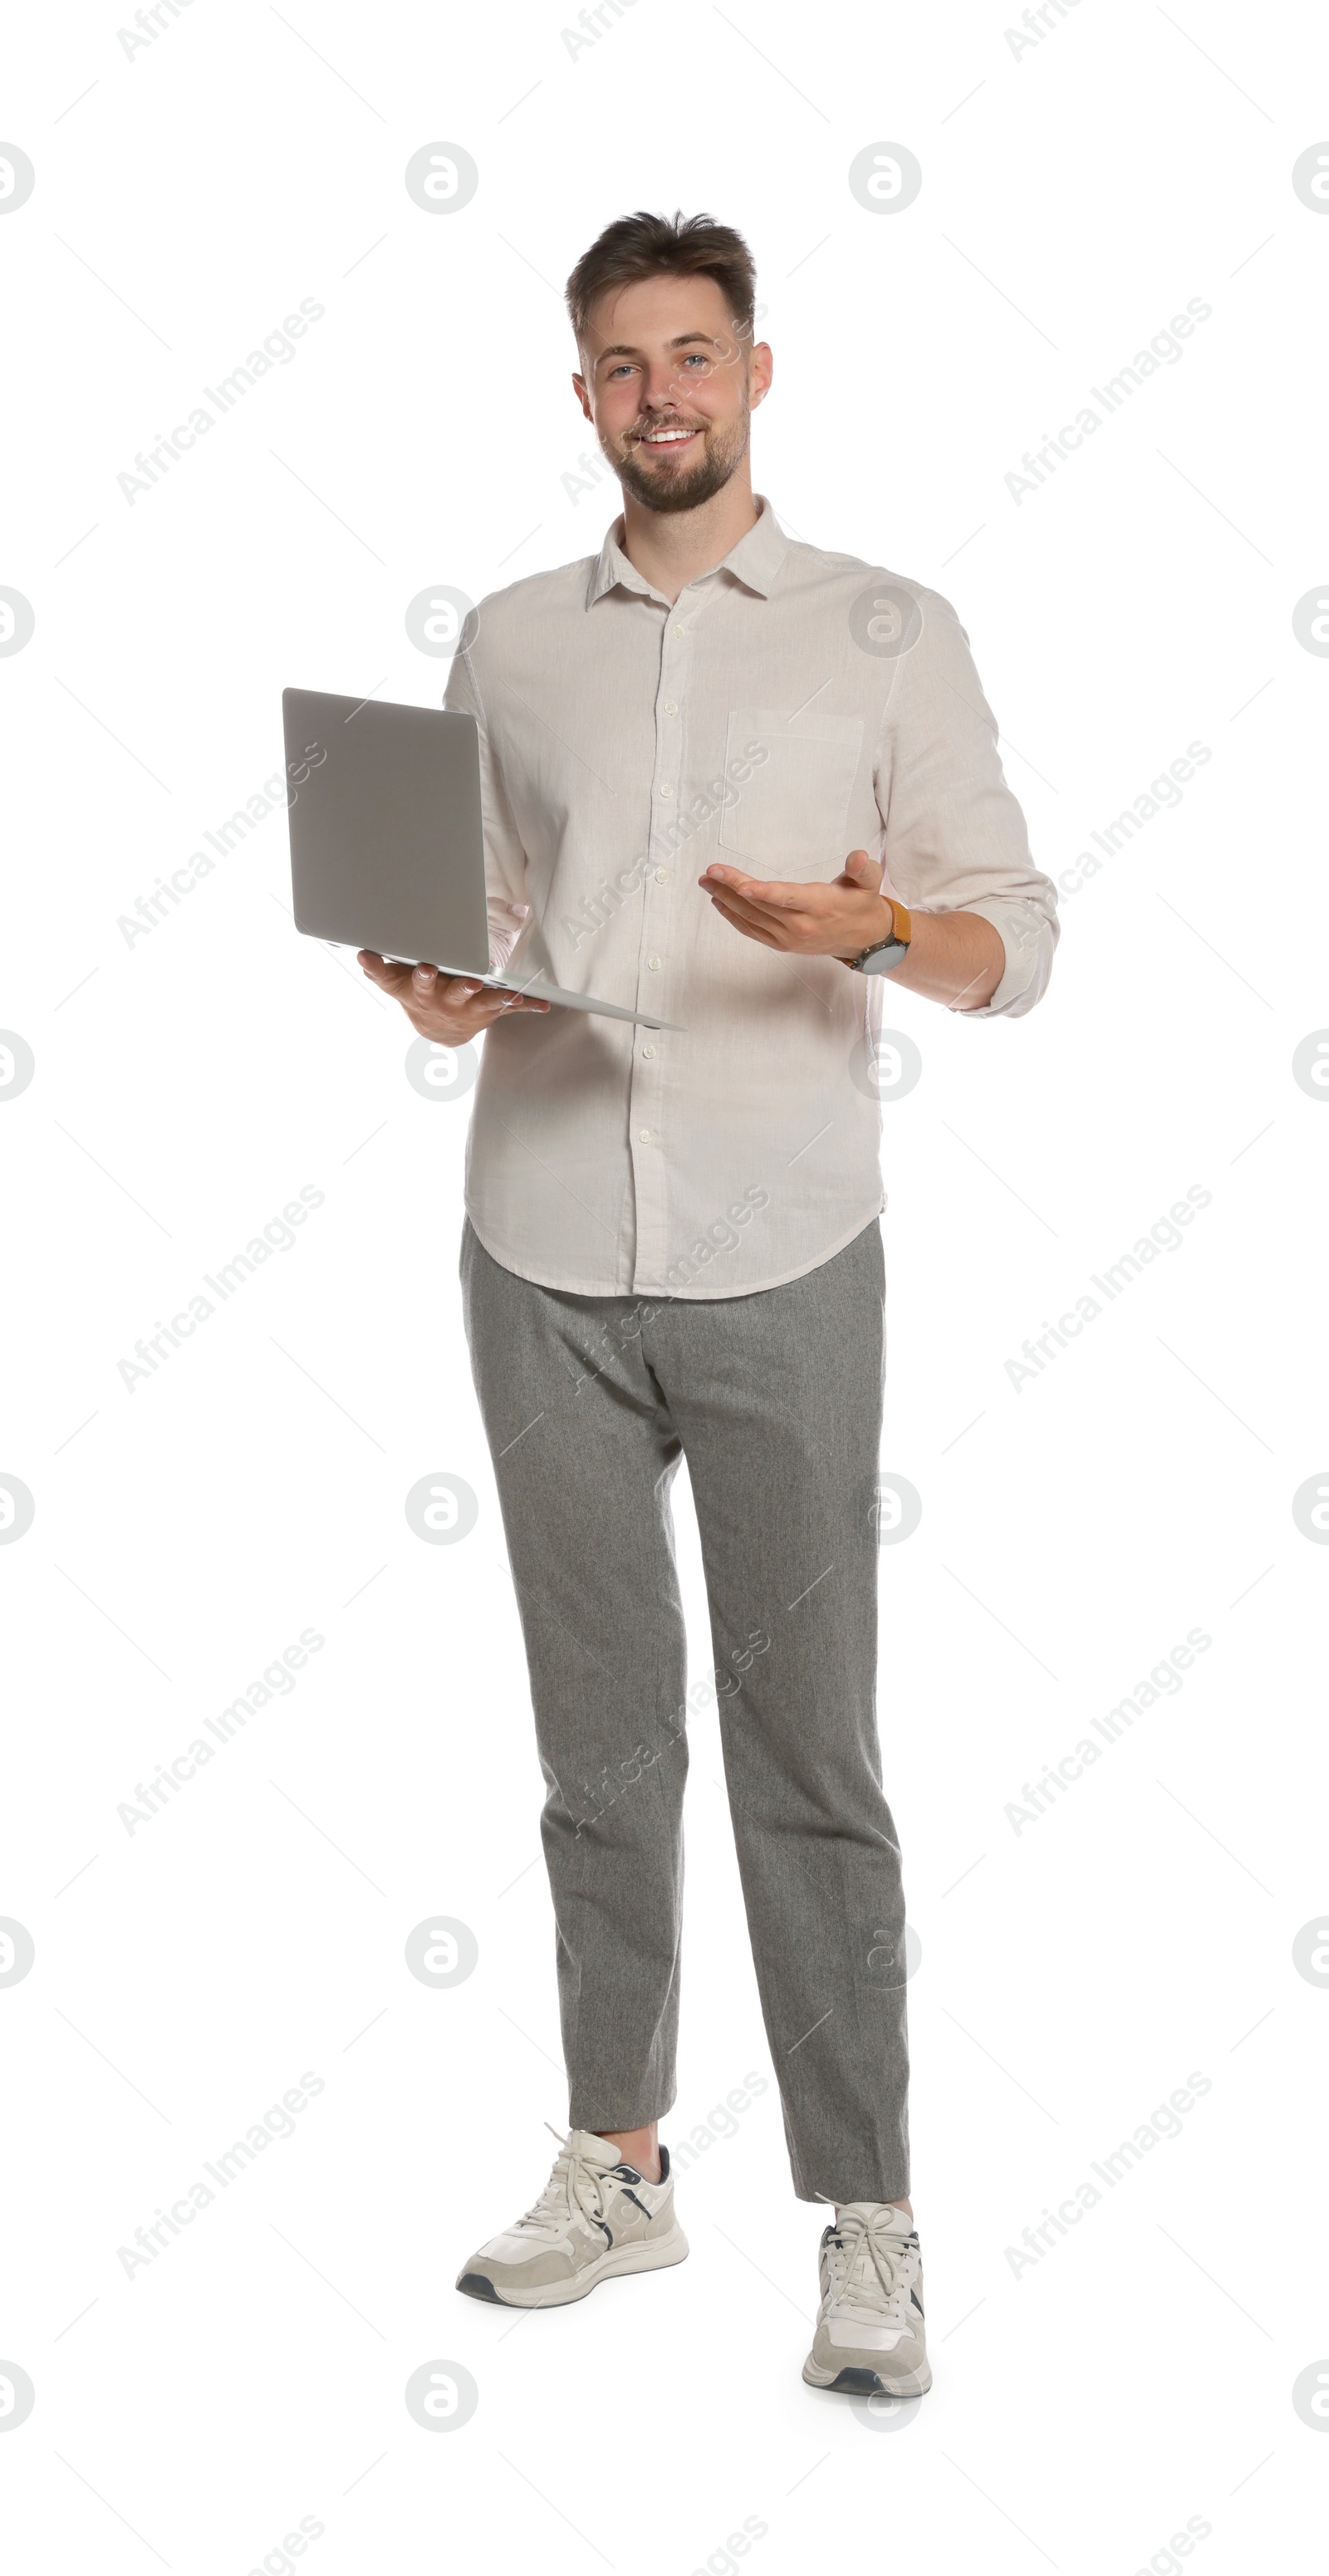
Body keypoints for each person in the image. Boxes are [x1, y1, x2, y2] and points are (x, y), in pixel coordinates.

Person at [360, 209, 1057, 2397]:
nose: (658, 393)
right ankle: (620, 2163)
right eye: (617, 365)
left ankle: (869, 2214)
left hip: (781, 1255)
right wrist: (431, 984)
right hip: (541, 1243)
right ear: (583, 399)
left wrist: (866, 929)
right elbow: (468, 927)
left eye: (693, 354)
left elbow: (1010, 939)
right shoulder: (508, 640)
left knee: (808, 1752)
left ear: (757, 373)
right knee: (596, 1748)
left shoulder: (883, 631)